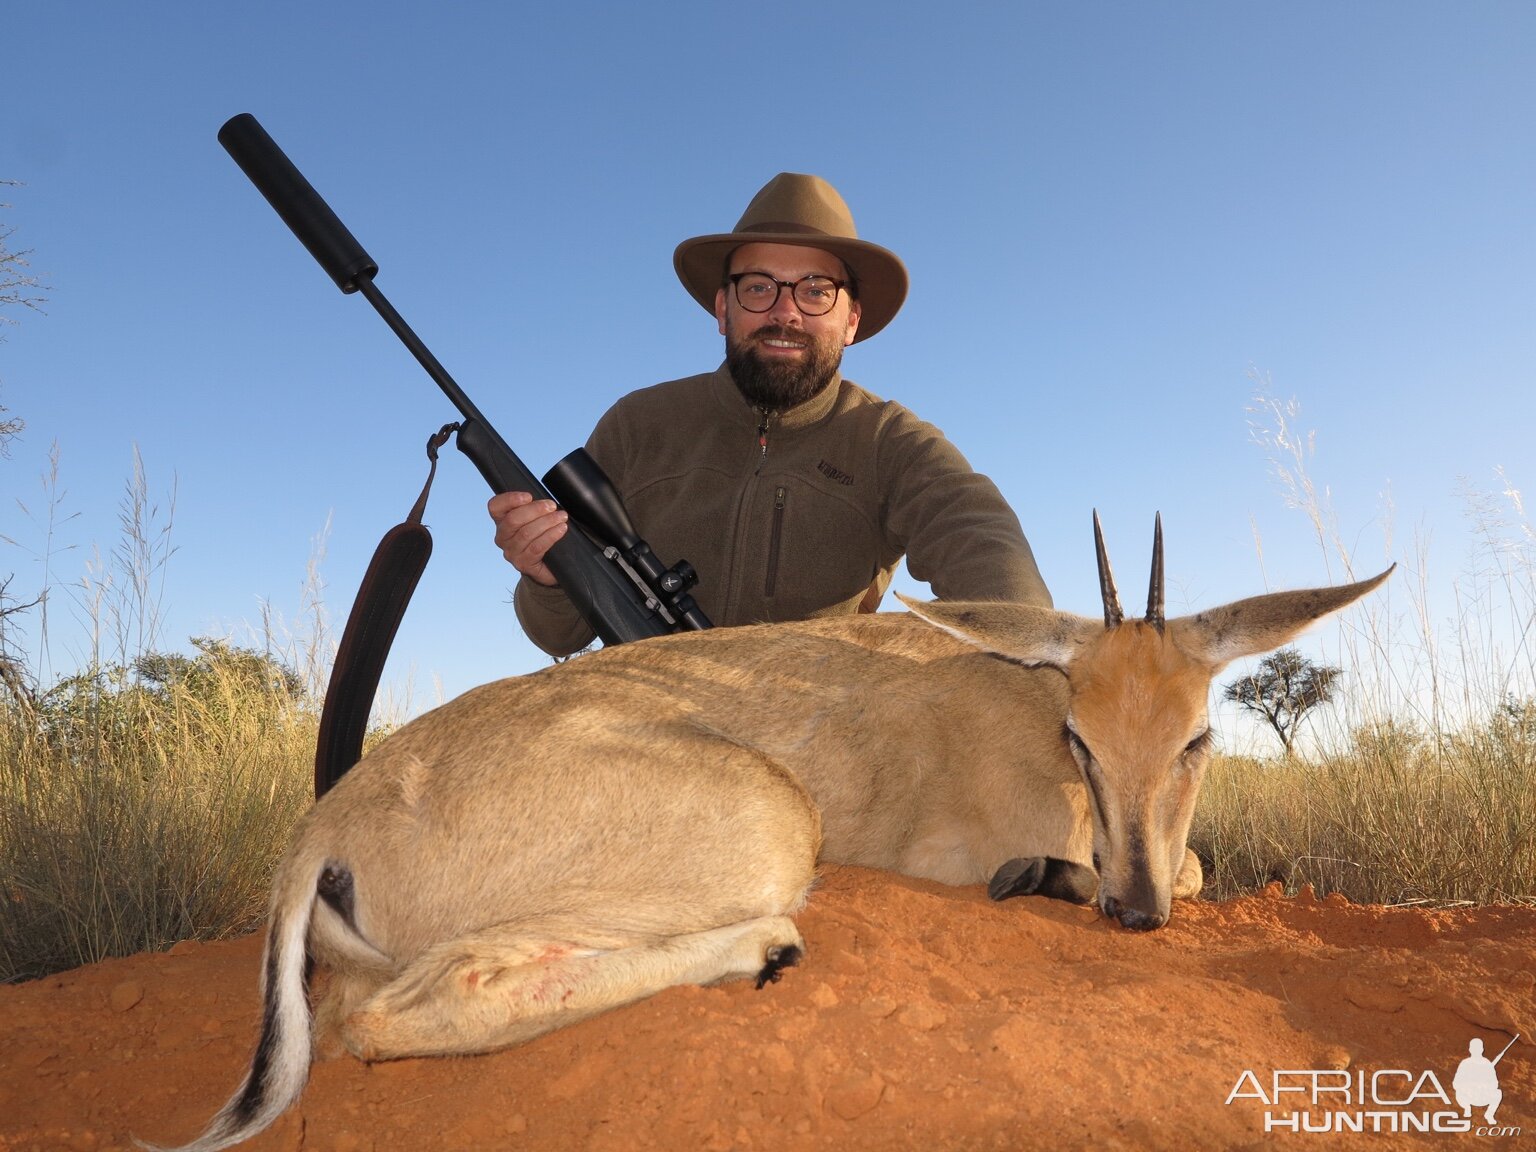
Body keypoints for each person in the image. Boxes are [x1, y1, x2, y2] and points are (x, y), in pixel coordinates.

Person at [491, 172, 1052, 657]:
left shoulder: (893, 441)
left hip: (813, 743)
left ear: (851, 320)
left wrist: (1009, 654)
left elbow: (993, 563)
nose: (785, 312)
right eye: (758, 287)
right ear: (722, 308)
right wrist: (545, 575)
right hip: (641, 726)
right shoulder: (637, 424)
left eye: (815, 290)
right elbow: (556, 637)